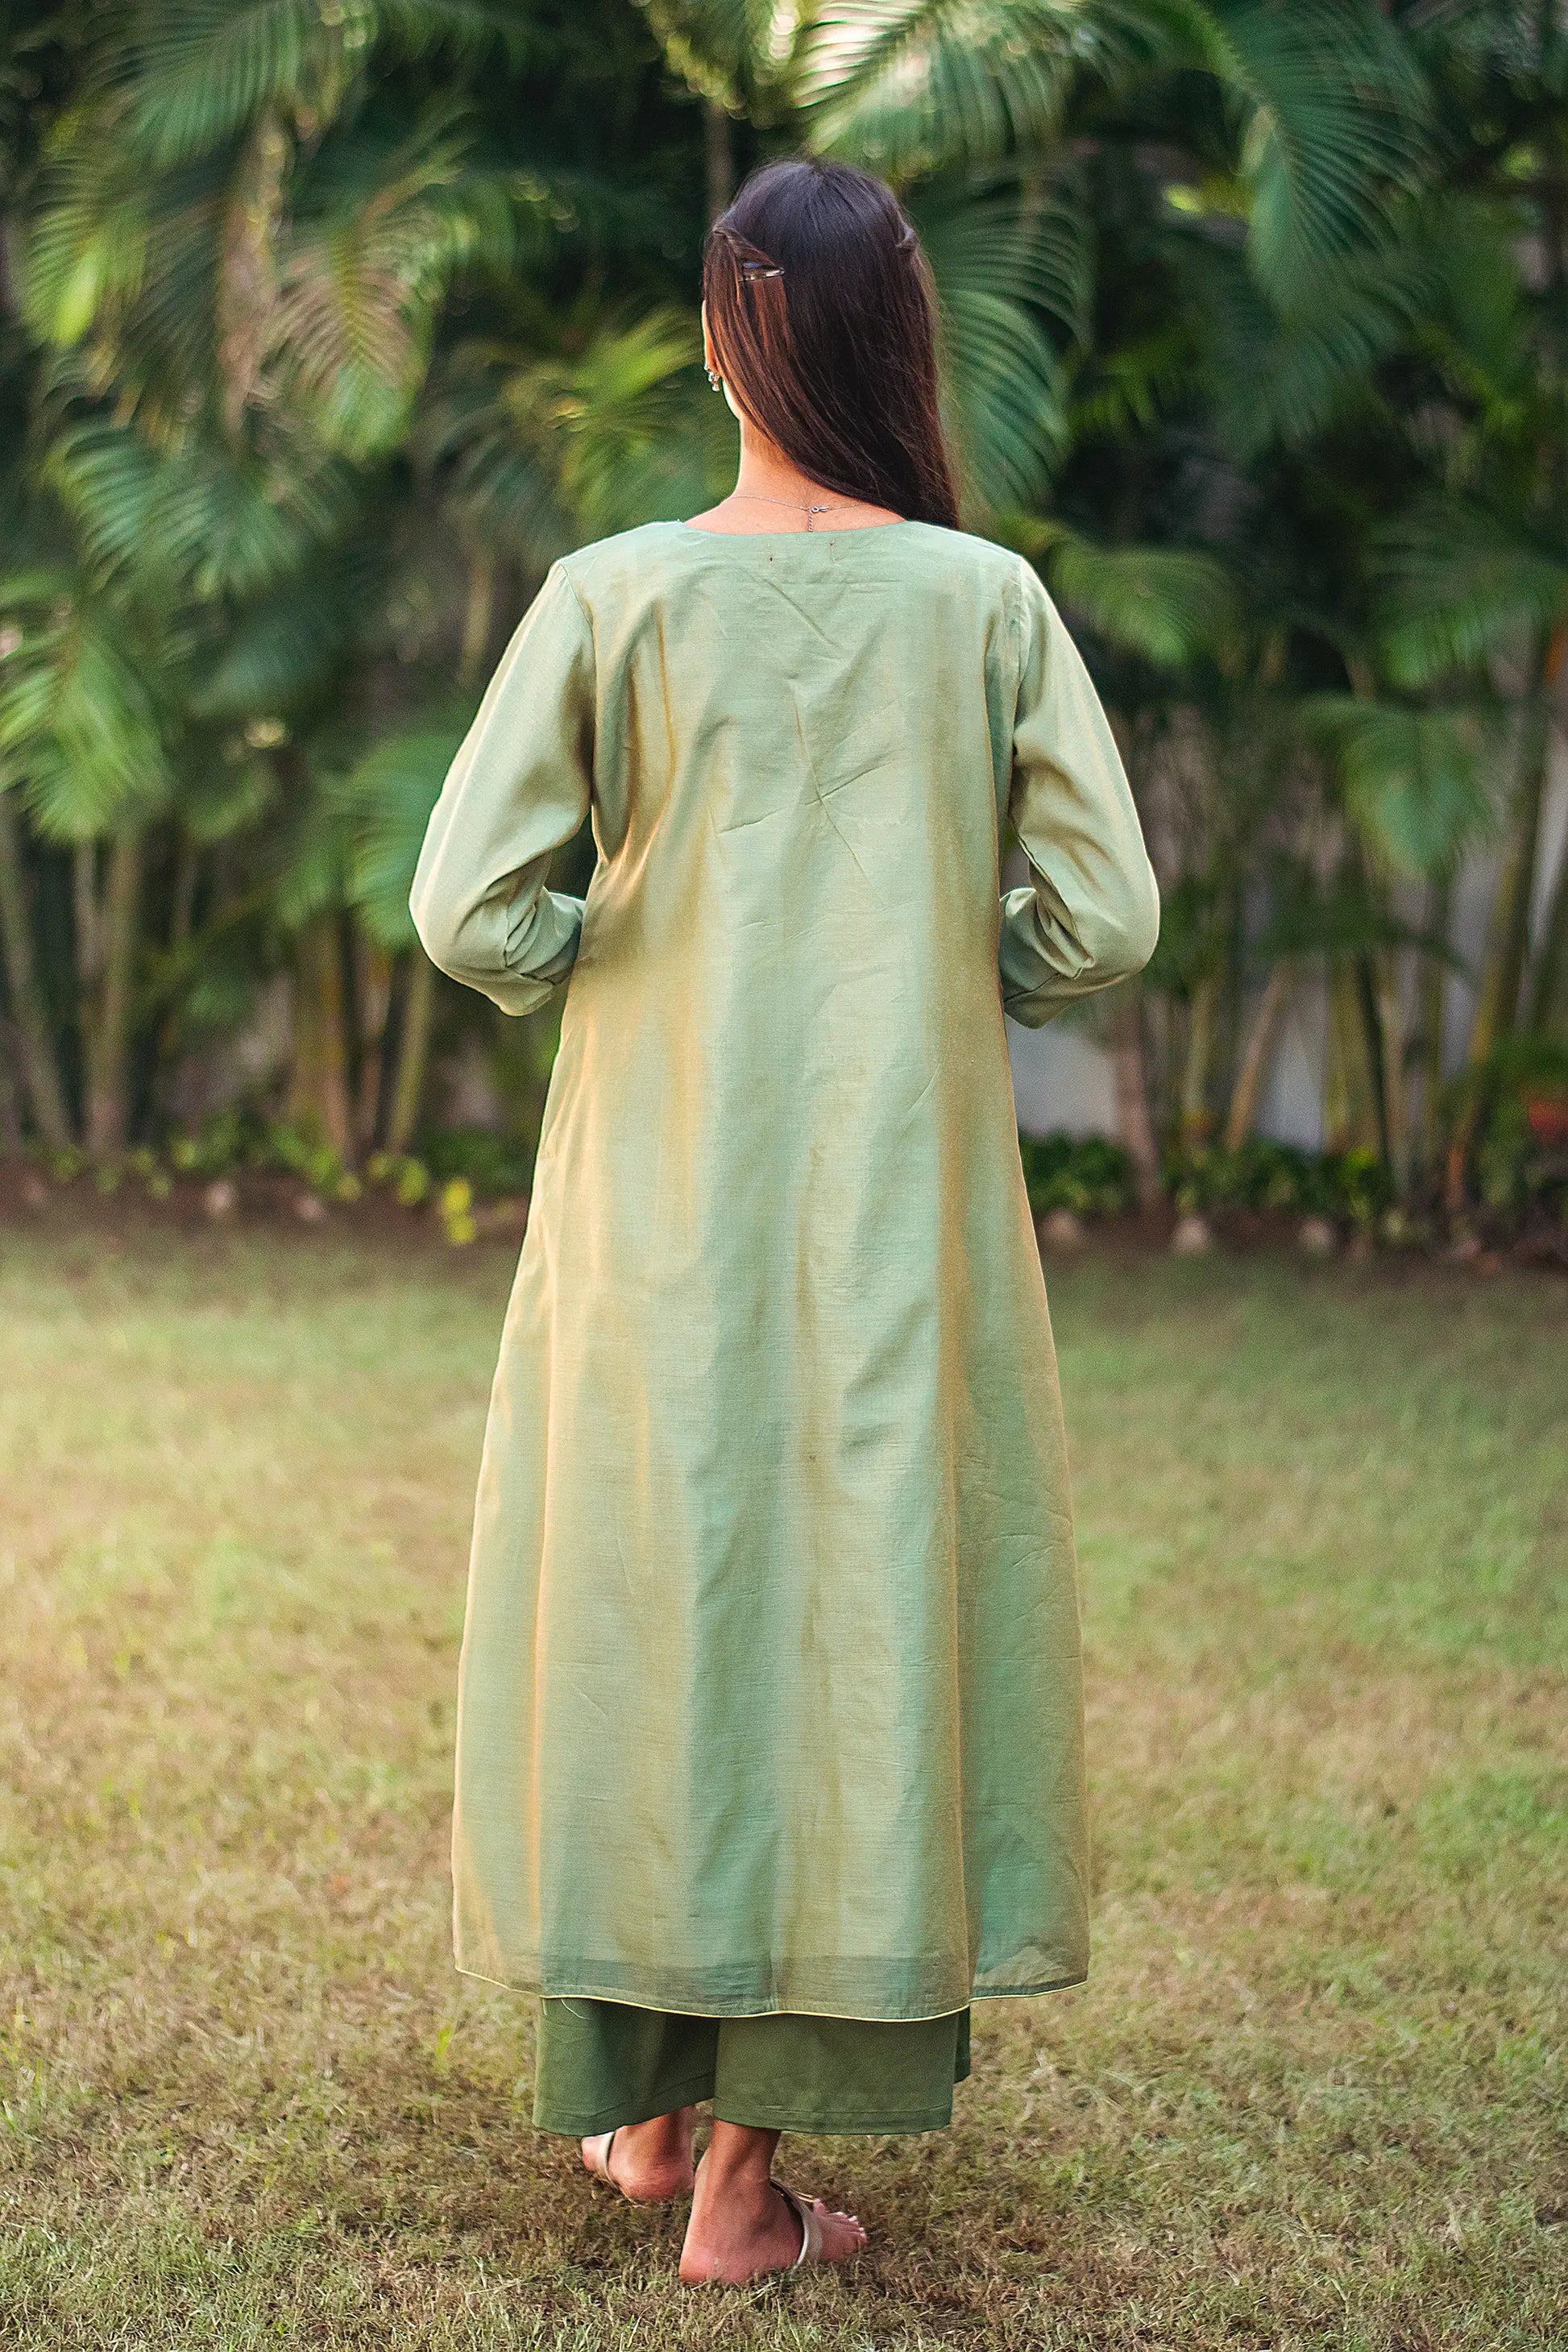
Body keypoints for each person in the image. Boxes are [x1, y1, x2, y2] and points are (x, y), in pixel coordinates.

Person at [409, 156, 1159, 2286]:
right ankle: (728, 2183)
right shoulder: (979, 603)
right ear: (892, 339)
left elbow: (467, 901)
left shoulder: (609, 591)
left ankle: (647, 2121)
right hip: (891, 1214)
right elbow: (1101, 918)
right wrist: (940, 947)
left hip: (653, 1198)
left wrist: (628, 937)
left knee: (662, 1603)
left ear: (724, 335)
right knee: (852, 1624)